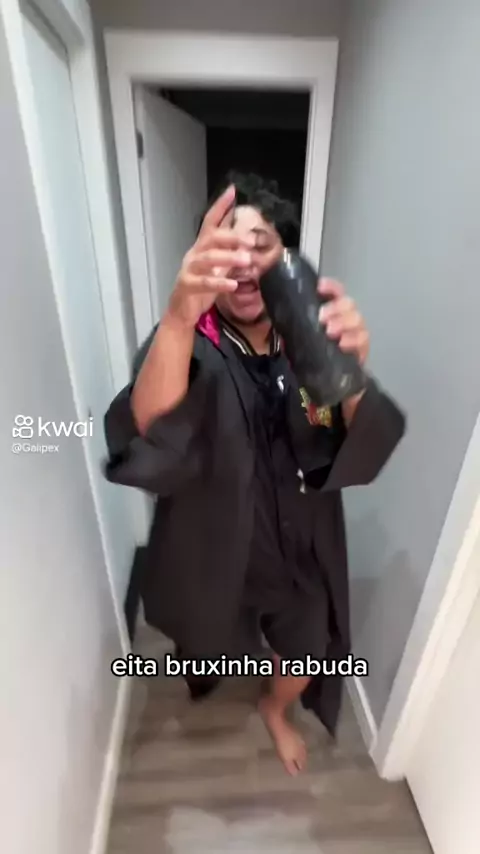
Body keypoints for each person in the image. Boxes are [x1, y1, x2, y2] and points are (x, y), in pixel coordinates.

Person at [103, 173, 405, 776]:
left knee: (308, 650)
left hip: (298, 548)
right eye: (225, 247)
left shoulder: (309, 338)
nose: (243, 262)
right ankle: (207, 668)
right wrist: (176, 320)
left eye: (260, 245)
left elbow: (360, 438)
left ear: (284, 258)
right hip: (211, 546)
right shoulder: (187, 341)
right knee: (205, 640)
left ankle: (275, 708)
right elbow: (148, 433)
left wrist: (348, 371)